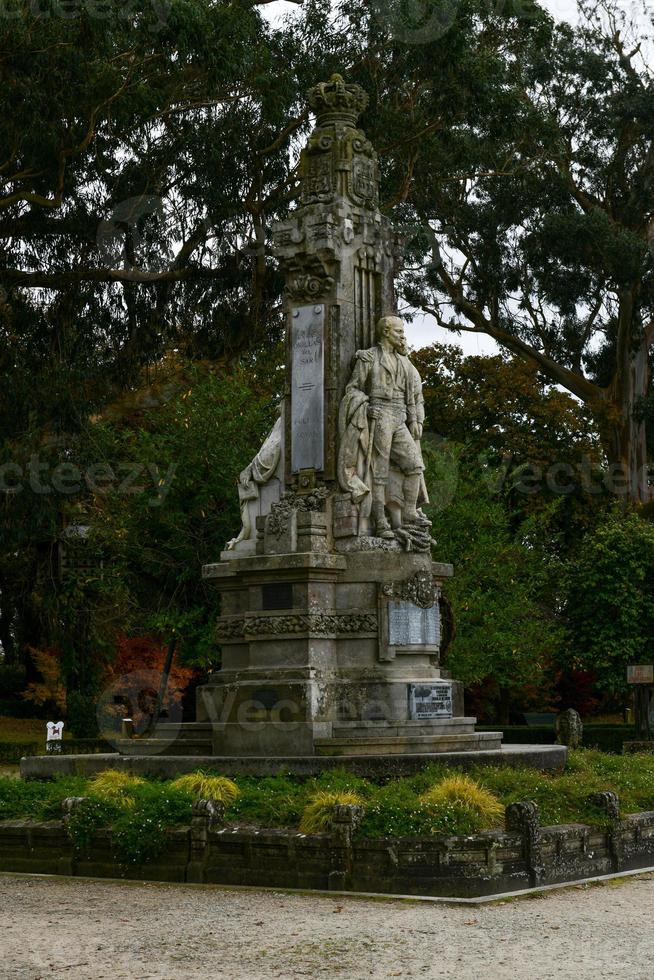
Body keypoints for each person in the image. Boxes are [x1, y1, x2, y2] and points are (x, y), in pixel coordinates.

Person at [337, 314, 430, 539]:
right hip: (380, 416)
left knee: (415, 465)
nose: (402, 336)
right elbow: (353, 389)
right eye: (398, 331)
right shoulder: (368, 358)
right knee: (379, 472)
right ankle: (379, 521)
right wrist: (365, 407)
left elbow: (416, 395)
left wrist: (416, 420)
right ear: (386, 332)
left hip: (400, 418)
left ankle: (408, 512)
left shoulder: (405, 362)